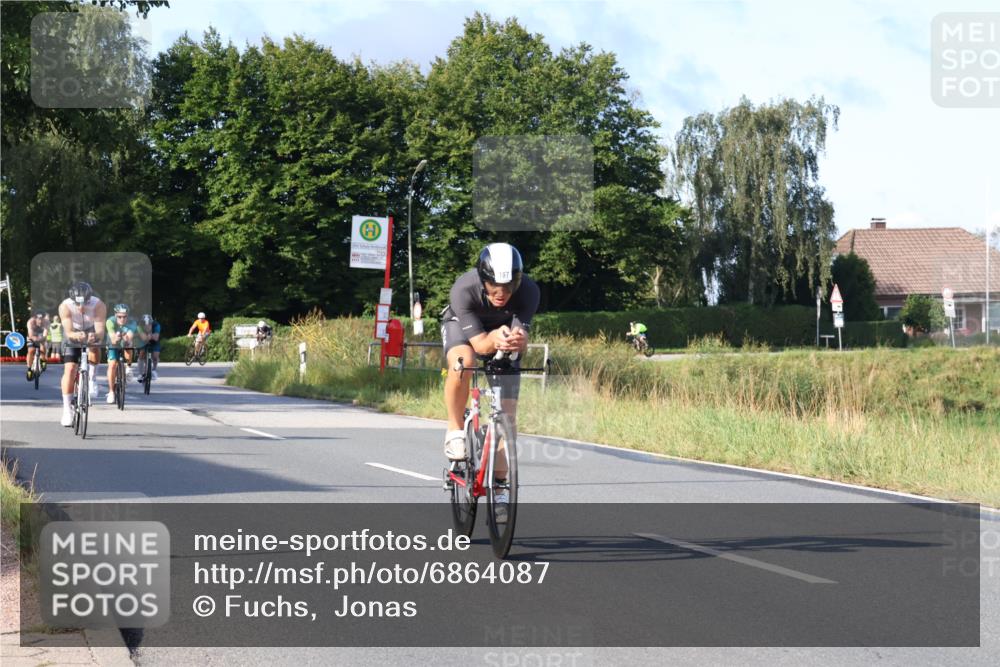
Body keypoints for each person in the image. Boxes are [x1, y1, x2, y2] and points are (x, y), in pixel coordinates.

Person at [441, 243, 540, 478]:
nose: (501, 292)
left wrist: (519, 341)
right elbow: (481, 346)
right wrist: (495, 338)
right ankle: (454, 429)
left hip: (500, 332)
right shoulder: (464, 289)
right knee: (464, 362)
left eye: (508, 286)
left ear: (518, 280)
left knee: (508, 415)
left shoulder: (529, 290)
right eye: (494, 284)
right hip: (463, 329)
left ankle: (501, 488)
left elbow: (521, 333)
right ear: (483, 278)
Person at [58, 282, 107, 426]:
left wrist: (95, 335)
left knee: (95, 345)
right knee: (70, 368)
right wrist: (74, 334)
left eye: (84, 303)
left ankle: (92, 378)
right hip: (73, 331)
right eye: (77, 303)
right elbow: (68, 331)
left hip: (91, 328)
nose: (81, 307)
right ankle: (67, 410)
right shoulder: (65, 306)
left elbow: (100, 330)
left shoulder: (98, 305)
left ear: (89, 299)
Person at [105, 304, 140, 404]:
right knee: (112, 365)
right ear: (115, 315)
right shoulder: (110, 321)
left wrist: (125, 338)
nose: (122, 319)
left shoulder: (132, 322)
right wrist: (117, 336)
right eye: (119, 316)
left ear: (128, 316)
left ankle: (128, 367)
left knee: (129, 344)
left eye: (125, 317)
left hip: (124, 341)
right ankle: (111, 392)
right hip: (112, 342)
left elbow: (129, 337)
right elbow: (113, 339)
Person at [25, 311, 50, 381]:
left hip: (41, 336)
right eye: (38, 318)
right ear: (34, 318)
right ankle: (29, 369)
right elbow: (30, 334)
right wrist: (34, 339)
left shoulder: (46, 322)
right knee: (31, 350)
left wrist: (42, 339)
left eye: (41, 319)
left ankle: (43, 360)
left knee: (43, 347)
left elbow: (45, 334)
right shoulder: (30, 322)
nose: (40, 320)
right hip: (32, 336)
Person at [137, 314, 161, 381]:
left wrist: (149, 336)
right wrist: (149, 336)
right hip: (142, 341)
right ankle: (140, 373)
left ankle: (154, 370)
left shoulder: (156, 325)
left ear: (152, 323)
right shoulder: (139, 326)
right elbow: (143, 338)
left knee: (155, 356)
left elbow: (156, 338)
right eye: (145, 325)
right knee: (142, 354)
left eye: (149, 324)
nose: (147, 326)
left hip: (154, 342)